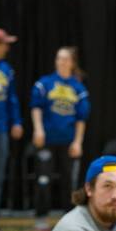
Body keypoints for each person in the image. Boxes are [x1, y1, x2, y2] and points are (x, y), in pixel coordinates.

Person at [31, 46, 90, 220]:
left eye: (65, 59)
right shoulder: (45, 83)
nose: (61, 62)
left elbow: (81, 118)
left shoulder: (78, 89)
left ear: (72, 63)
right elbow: (36, 107)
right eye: (58, 58)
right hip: (47, 139)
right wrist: (38, 129)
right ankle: (41, 217)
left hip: (68, 141)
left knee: (68, 181)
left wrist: (78, 142)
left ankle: (69, 217)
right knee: (43, 179)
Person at [0, 26, 23, 231]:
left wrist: (16, 122)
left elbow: (12, 99)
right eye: (5, 44)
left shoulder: (6, 70)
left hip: (0, 131)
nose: (7, 48)